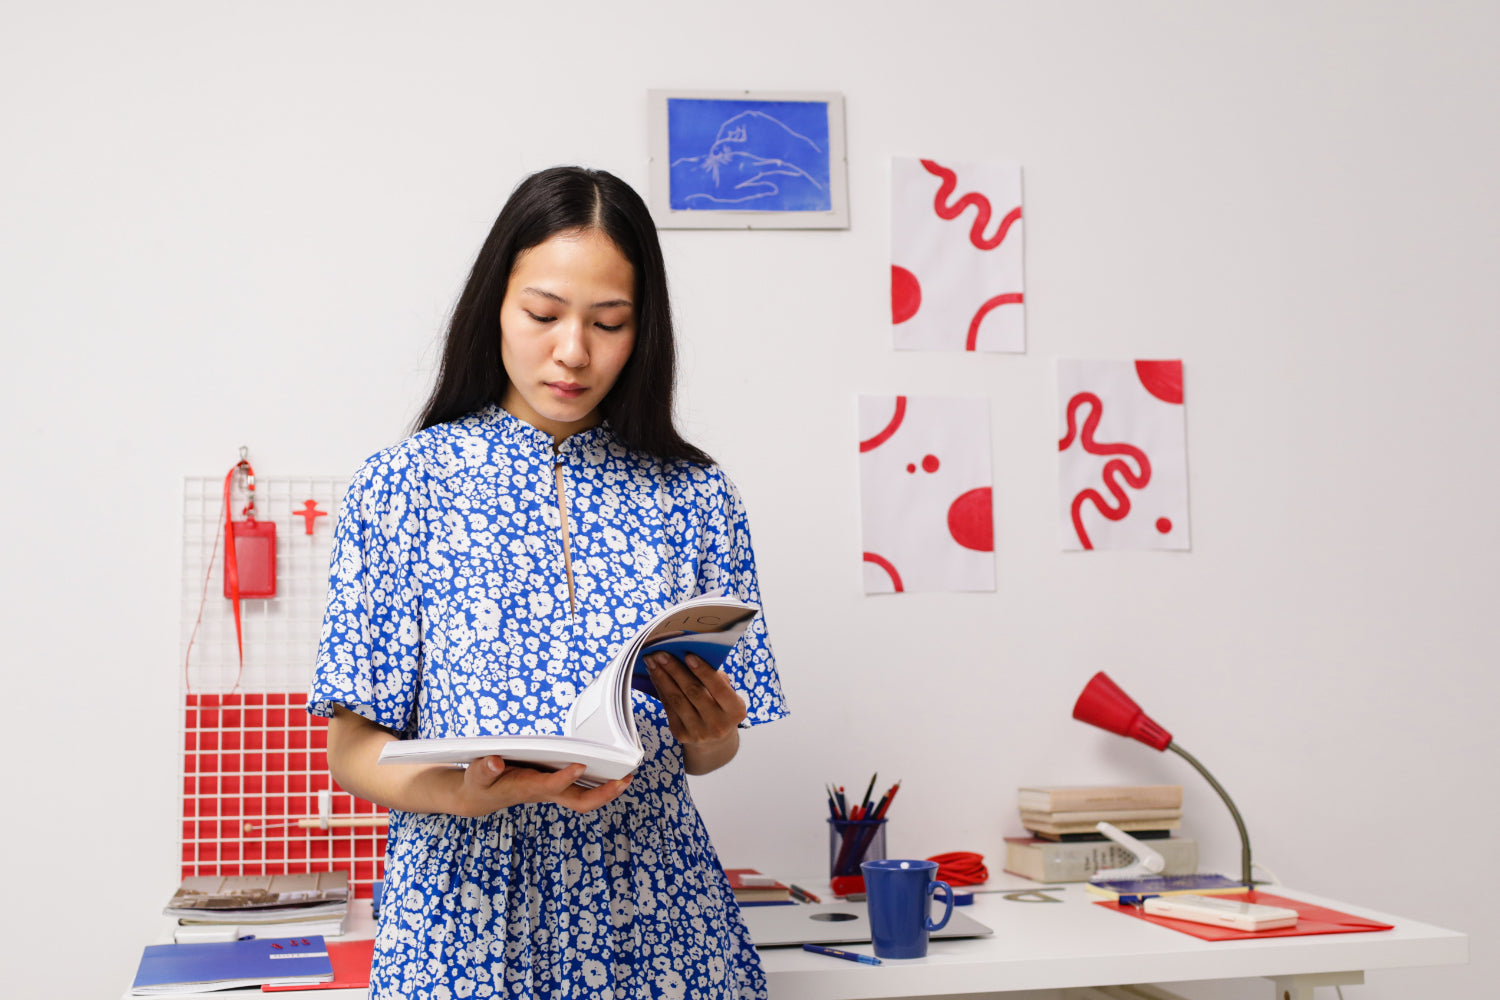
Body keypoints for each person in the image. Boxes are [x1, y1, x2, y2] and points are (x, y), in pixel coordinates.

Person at [307, 166, 788, 999]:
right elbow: (351, 751)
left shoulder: (696, 493)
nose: (573, 351)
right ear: (495, 303)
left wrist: (709, 730)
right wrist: (464, 796)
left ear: (644, 333)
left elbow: (712, 754)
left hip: (660, 918)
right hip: (461, 922)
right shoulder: (401, 487)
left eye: (610, 323)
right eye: (543, 314)